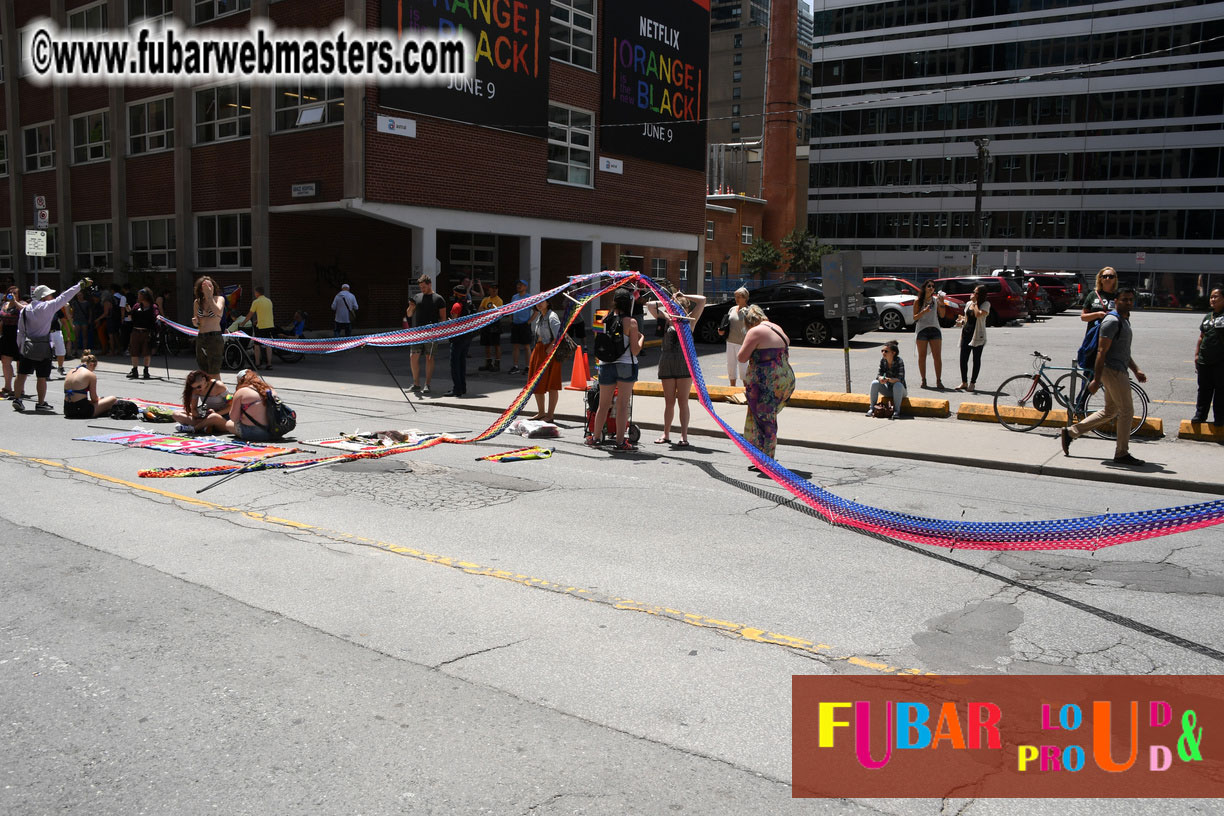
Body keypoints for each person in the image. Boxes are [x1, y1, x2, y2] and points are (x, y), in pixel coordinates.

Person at [1060, 289, 1147, 467]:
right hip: (1112, 371)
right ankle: (1121, 453)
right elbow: (1101, 352)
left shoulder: (1124, 320)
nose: (1128, 302)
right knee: (1127, 411)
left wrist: (1136, 370)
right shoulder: (1112, 321)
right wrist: (1096, 379)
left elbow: (1123, 352)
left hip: (1118, 369)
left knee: (1110, 411)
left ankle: (1070, 432)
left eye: (1131, 300)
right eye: (1124, 299)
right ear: (1116, 300)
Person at [13, 278, 92, 414]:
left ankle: (17, 399)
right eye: (50, 295)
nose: (52, 297)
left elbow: (20, 331)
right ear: (44, 297)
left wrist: (20, 347)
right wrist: (80, 285)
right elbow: (65, 296)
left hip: (27, 345)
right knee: (41, 377)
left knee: (21, 375)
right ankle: (41, 403)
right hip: (43, 345)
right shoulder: (47, 307)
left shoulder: (25, 310)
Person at [737, 304, 796, 464]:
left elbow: (741, 357)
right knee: (767, 418)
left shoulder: (755, 331)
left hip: (766, 382)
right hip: (784, 379)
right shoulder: (776, 327)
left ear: (749, 322)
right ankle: (761, 457)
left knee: (765, 420)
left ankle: (767, 460)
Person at [587, 290, 644, 450]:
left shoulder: (603, 318)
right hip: (626, 365)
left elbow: (598, 341)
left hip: (605, 365)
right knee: (622, 405)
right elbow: (635, 350)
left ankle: (595, 438)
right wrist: (641, 338)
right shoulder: (631, 322)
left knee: (603, 404)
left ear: (615, 301)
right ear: (628, 303)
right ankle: (620, 442)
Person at [647, 291, 706, 445]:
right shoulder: (667, 319)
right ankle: (666, 434)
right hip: (667, 363)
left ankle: (683, 436)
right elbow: (650, 305)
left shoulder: (689, 321)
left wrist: (684, 295)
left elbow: (702, 300)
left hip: (684, 364)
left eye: (680, 308)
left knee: (683, 401)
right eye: (675, 308)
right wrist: (668, 301)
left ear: (685, 309)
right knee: (669, 402)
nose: (677, 311)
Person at [404, 274, 447, 394]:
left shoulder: (438, 299)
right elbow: (409, 314)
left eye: (423, 287)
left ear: (429, 284)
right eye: (420, 287)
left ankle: (427, 384)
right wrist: (411, 307)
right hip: (417, 333)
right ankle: (416, 384)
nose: (422, 289)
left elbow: (443, 318)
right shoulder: (417, 297)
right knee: (413, 357)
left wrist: (439, 332)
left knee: (429, 357)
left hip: (431, 333)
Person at [525, 298, 565, 421]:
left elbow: (560, 334)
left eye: (542, 301)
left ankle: (550, 415)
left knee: (552, 383)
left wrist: (550, 348)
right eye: (537, 302)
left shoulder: (552, 316)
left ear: (548, 303)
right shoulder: (540, 317)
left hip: (549, 352)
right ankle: (541, 412)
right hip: (539, 350)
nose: (539, 304)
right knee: (536, 383)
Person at [1080, 266, 1120, 379]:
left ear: (1115, 279)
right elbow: (1083, 317)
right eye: (1105, 276)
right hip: (1094, 338)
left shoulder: (1118, 296)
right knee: (1089, 372)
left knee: (1111, 372)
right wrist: (1098, 314)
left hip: (1112, 339)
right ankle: (1086, 390)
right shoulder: (1093, 295)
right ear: (1100, 279)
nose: (1107, 279)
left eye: (1111, 276)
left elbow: (1125, 317)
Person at [1192, 286, 1224, 426]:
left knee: (1221, 391)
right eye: (1211, 297)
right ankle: (1200, 415)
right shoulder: (1207, 317)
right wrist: (1197, 355)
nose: (1212, 299)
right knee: (1204, 390)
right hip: (1204, 361)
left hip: (1220, 362)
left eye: (1216, 296)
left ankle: (1220, 418)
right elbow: (1201, 336)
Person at [225, 368, 278, 442]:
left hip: (253, 433)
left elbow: (234, 418)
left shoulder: (241, 392)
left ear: (240, 381)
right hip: (274, 431)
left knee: (228, 424)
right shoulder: (270, 389)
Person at [62, 350, 118, 419]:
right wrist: (100, 399)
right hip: (82, 411)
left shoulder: (70, 371)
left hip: (68, 410)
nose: (92, 371)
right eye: (93, 369)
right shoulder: (90, 375)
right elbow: (94, 399)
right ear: (91, 364)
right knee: (113, 399)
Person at [955, 284, 990, 392]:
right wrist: (961, 321)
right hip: (966, 333)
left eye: (976, 292)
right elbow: (967, 318)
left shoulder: (985, 304)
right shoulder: (968, 303)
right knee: (963, 359)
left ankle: (972, 383)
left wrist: (975, 303)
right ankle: (964, 382)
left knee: (976, 359)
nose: (973, 294)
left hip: (978, 335)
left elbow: (978, 314)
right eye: (973, 291)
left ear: (980, 295)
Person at [913, 280, 947, 389]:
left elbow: (942, 315)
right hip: (922, 330)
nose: (931, 288)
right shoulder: (918, 301)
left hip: (935, 329)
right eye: (929, 286)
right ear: (924, 288)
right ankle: (923, 380)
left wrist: (942, 304)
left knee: (937, 356)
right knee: (922, 356)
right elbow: (914, 317)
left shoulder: (936, 300)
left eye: (933, 286)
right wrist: (923, 312)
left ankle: (938, 380)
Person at [173, 369, 230, 434]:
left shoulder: (220, 386)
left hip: (223, 417)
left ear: (204, 379)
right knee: (176, 414)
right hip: (206, 415)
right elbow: (193, 409)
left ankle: (194, 428)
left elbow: (231, 406)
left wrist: (217, 413)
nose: (197, 389)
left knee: (213, 417)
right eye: (194, 388)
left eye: (199, 387)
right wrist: (198, 415)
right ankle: (205, 426)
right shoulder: (195, 390)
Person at [191, 276, 226, 378]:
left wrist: (209, 296)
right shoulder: (197, 302)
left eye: (210, 285)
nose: (208, 288)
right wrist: (195, 322)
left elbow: (218, 311)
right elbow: (197, 322)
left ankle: (218, 388)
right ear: (200, 289)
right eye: (205, 286)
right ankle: (208, 388)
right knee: (204, 371)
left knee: (214, 371)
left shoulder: (219, 299)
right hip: (201, 337)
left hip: (214, 337)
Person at [444, 284, 474, 398]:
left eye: (454, 293)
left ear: (457, 294)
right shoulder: (469, 304)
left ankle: (457, 389)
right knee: (462, 363)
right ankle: (463, 387)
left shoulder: (456, 305)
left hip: (457, 338)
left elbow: (453, 322)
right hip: (467, 337)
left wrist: (448, 322)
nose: (453, 295)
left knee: (455, 364)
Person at [867, 340, 907, 419]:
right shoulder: (883, 360)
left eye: (886, 351)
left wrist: (888, 379)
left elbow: (900, 379)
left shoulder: (899, 361)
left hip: (900, 391)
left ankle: (896, 411)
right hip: (888, 389)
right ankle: (872, 408)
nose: (883, 353)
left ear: (893, 353)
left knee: (898, 385)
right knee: (875, 383)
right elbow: (878, 375)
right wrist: (881, 378)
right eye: (882, 351)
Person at [718, 287, 750, 388]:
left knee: (743, 367)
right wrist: (722, 330)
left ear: (745, 298)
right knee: (731, 365)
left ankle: (746, 389)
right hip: (730, 341)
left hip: (742, 343)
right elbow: (727, 324)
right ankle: (732, 387)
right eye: (735, 296)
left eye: (739, 297)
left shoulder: (749, 311)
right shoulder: (732, 309)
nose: (736, 299)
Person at [127, 288, 158, 380]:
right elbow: (131, 318)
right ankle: (135, 370)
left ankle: (146, 371)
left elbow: (156, 316)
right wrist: (129, 311)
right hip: (136, 331)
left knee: (146, 352)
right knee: (134, 351)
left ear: (145, 296)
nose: (138, 297)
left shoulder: (153, 307)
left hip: (147, 332)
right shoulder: (136, 306)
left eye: (140, 295)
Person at [242, 286, 275, 370]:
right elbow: (266, 313)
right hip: (270, 325)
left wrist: (243, 323)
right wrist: (257, 320)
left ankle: (257, 364)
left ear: (257, 293)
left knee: (257, 345)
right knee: (268, 345)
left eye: (255, 292)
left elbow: (250, 314)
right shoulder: (269, 301)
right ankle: (269, 364)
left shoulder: (256, 302)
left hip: (261, 326)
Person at [1, 286, 26, 398]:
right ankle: (8, 387)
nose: (12, 294)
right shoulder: (4, 305)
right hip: (6, 335)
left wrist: (15, 302)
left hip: (18, 335)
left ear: (18, 295)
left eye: (15, 293)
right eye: (10, 292)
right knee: (5, 361)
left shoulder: (22, 304)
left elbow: (25, 311)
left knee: (20, 362)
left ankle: (20, 388)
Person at [507, 280, 532, 374]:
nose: (519, 286)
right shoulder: (514, 297)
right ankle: (515, 366)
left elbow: (536, 311)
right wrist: (510, 319)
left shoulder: (529, 297)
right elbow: (510, 309)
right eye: (518, 284)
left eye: (521, 285)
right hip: (515, 324)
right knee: (515, 346)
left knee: (526, 346)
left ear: (525, 287)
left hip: (524, 324)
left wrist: (529, 322)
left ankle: (528, 366)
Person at [478, 281, 504, 372]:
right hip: (486, 324)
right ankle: (488, 363)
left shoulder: (499, 300)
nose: (494, 290)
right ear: (489, 289)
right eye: (492, 288)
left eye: (496, 288)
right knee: (487, 344)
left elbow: (497, 313)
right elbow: (479, 310)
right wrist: (488, 311)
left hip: (495, 324)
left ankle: (497, 363)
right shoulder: (485, 299)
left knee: (496, 344)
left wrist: (486, 311)